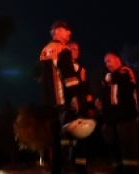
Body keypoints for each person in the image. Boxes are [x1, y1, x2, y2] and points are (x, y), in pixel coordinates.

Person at [37, 21, 85, 174]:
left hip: (49, 102)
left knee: (54, 139)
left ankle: (55, 169)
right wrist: (76, 96)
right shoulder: (63, 49)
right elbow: (69, 76)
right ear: (57, 32)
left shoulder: (44, 51)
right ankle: (67, 168)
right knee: (67, 138)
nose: (69, 33)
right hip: (63, 101)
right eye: (66, 30)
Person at [97, 51, 139, 174]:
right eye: (105, 62)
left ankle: (131, 172)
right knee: (114, 149)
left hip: (126, 117)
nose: (107, 64)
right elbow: (105, 95)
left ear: (117, 60)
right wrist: (100, 105)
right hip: (111, 120)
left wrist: (106, 79)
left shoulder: (126, 71)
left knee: (128, 148)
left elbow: (118, 78)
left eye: (109, 61)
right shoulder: (108, 79)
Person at [68, 41, 96, 174]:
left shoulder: (82, 68)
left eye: (77, 49)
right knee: (69, 138)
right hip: (69, 106)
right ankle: (68, 166)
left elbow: (87, 88)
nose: (75, 51)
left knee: (82, 138)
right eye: (72, 48)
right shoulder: (63, 67)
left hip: (83, 107)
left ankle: (81, 168)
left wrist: (90, 106)